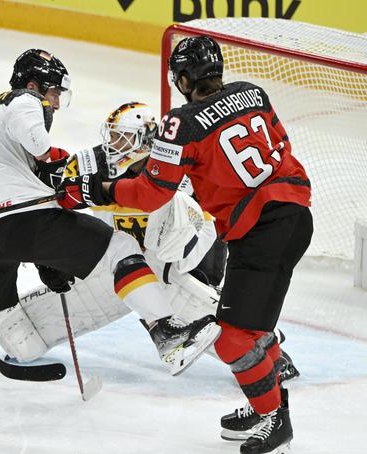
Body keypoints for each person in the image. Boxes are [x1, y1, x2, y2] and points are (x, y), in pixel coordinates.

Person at [0, 49, 221, 438]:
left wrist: (48, 258)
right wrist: (68, 164)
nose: (57, 103)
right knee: (121, 250)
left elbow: (37, 180)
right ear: (33, 85)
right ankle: (167, 332)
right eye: (54, 93)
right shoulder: (21, 101)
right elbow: (43, 152)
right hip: (19, 217)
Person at [59, 37, 312, 454]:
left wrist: (96, 189)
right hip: (294, 214)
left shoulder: (182, 122)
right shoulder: (255, 92)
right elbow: (279, 146)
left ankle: (274, 419)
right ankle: (263, 399)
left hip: (260, 228)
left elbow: (151, 193)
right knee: (254, 325)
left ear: (182, 78)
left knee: (231, 338)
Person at [0, 101, 300, 388]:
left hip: (182, 261)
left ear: (143, 141)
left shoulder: (177, 169)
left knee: (174, 270)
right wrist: (47, 258)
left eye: (122, 138)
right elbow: (49, 198)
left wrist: (190, 270)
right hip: (123, 267)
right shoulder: (92, 164)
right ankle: (21, 332)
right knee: (24, 334)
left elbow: (207, 226)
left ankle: (263, 352)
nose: (113, 145)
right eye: (113, 137)